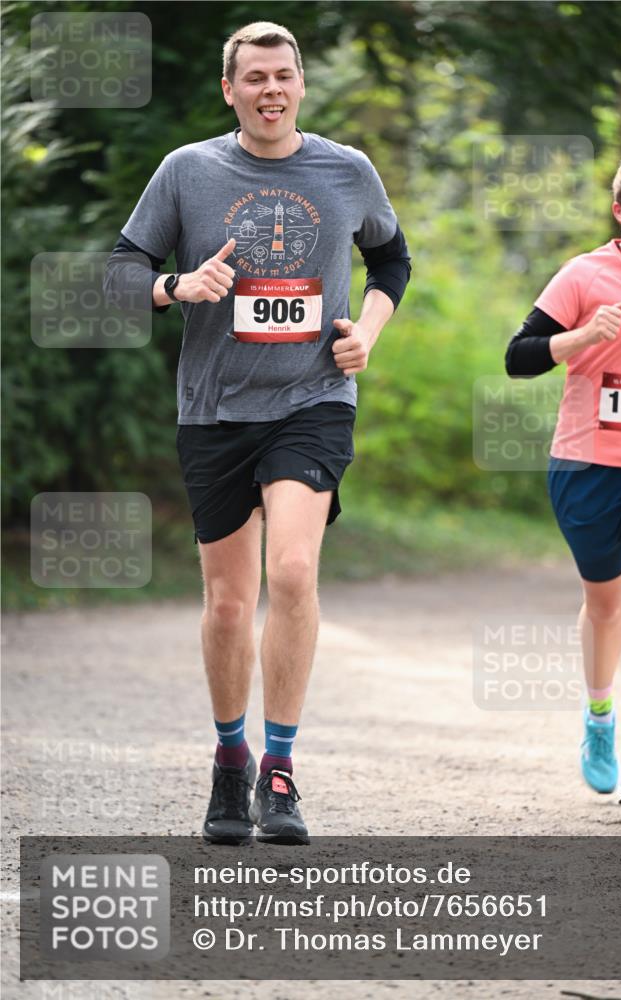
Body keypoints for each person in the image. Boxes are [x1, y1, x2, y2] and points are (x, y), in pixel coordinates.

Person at [104, 22, 411, 843]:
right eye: (254, 78)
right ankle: (230, 761)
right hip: (213, 409)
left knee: (295, 570)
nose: (270, 90)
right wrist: (176, 285)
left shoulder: (346, 170)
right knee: (231, 605)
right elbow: (119, 273)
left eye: (283, 75)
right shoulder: (189, 172)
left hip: (313, 402)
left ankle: (280, 770)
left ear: (300, 85)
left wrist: (366, 335)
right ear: (230, 90)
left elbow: (392, 263)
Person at [505, 153, 621, 811]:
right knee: (605, 604)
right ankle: (598, 714)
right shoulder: (584, 274)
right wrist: (577, 338)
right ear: (619, 207)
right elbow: (517, 358)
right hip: (587, 466)